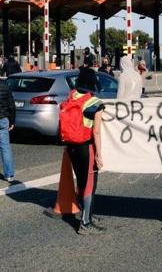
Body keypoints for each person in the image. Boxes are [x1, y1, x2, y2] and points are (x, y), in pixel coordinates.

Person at [68, 66, 106, 234]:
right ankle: (85, 222)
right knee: (90, 184)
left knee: (81, 181)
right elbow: (96, 131)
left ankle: (87, 213)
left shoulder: (71, 97)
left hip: (71, 147)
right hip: (86, 147)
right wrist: (98, 154)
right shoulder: (95, 103)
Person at [0, 78, 15, 183]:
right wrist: (12, 121)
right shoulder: (5, 86)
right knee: (5, 147)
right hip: (2, 118)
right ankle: (9, 174)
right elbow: (11, 106)